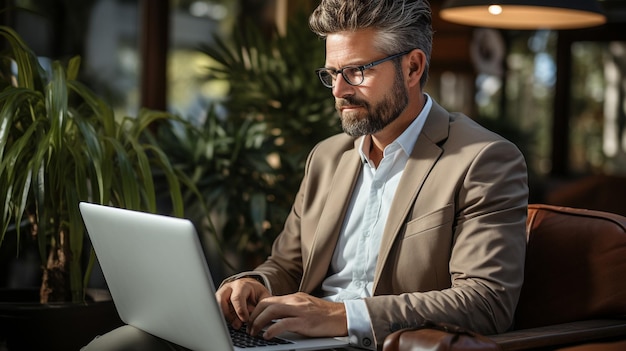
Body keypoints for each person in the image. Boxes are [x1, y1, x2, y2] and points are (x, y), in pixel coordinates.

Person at [82, 0, 528, 350]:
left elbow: (486, 302)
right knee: (125, 344)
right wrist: (255, 284)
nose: (338, 91)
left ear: (412, 67)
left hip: (369, 344)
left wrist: (340, 316)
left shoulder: (483, 159)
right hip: (293, 339)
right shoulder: (328, 157)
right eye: (333, 73)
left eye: (357, 71)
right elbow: (288, 264)